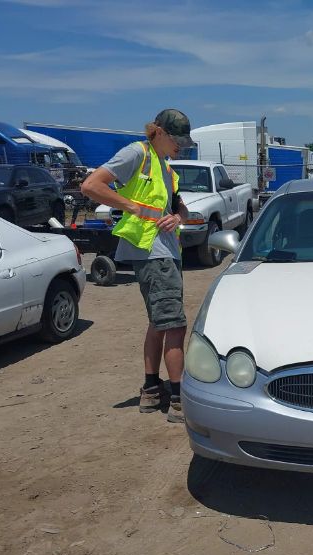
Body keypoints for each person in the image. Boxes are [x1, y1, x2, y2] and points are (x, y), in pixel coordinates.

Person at [81, 109, 192, 423]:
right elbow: (91, 186)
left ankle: (150, 390)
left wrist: (178, 217)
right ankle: (179, 399)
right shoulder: (137, 154)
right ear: (157, 132)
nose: (181, 146)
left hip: (166, 252)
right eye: (176, 139)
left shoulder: (165, 168)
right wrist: (133, 206)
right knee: (174, 324)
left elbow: (179, 205)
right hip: (152, 253)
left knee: (159, 322)